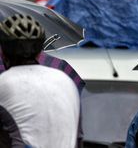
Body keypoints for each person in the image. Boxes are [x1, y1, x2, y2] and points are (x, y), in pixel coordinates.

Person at [0, 14, 80, 147]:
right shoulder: (66, 80)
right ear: (39, 53)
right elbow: (78, 137)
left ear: (3, 52)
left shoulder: (4, 83)